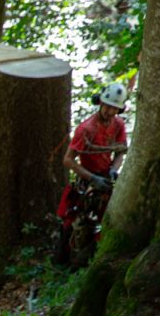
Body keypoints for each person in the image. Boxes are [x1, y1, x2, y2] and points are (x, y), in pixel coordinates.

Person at [55, 82, 129, 264]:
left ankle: (97, 256)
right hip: (87, 177)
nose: (110, 112)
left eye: (114, 108)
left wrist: (114, 169)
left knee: (107, 217)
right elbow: (68, 160)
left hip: (106, 176)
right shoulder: (86, 129)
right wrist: (92, 178)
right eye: (107, 106)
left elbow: (121, 150)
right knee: (73, 220)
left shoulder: (118, 125)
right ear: (100, 103)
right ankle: (63, 258)